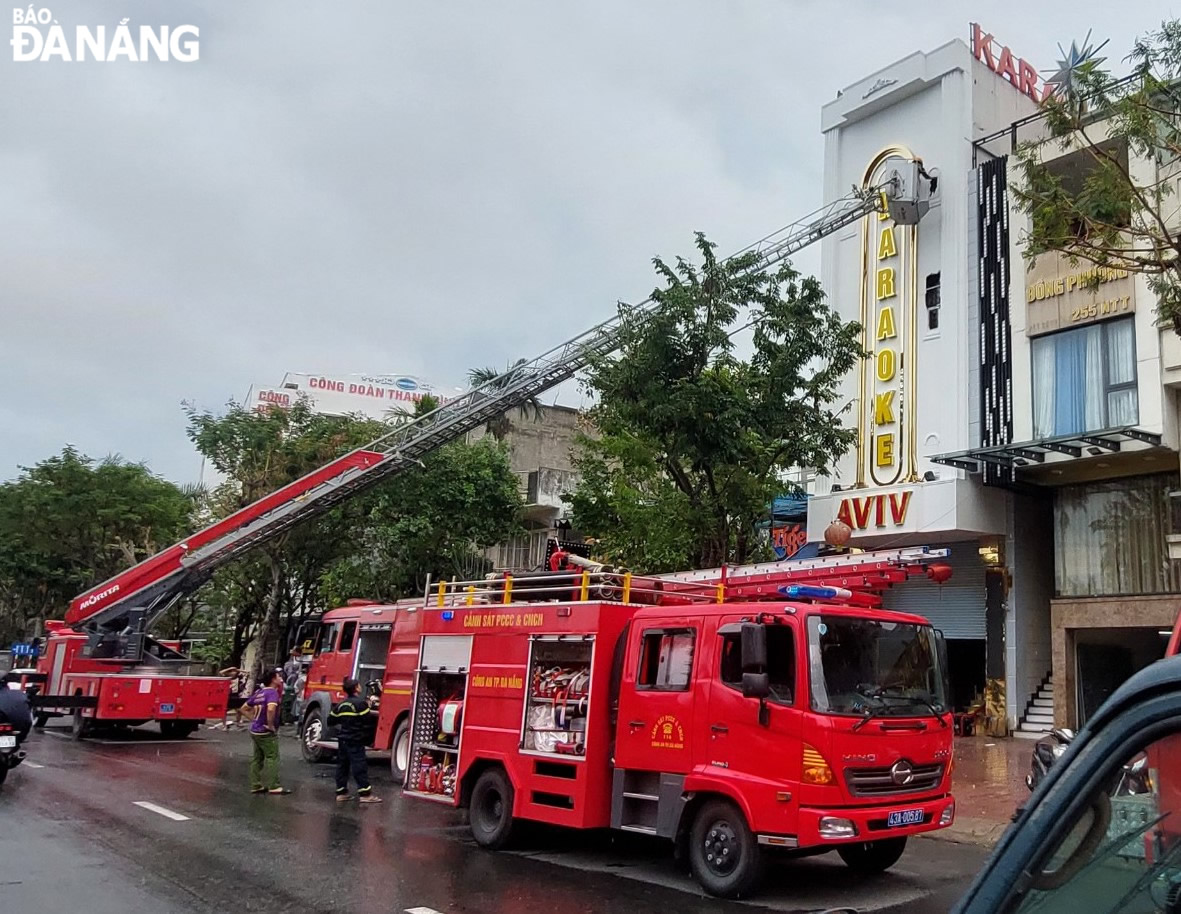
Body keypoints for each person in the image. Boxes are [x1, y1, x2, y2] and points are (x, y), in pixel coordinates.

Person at [328, 677, 381, 804]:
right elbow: (368, 720)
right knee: (359, 766)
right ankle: (365, 794)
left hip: (343, 740)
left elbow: (330, 721)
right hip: (355, 740)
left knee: (342, 766)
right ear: (356, 688)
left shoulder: (341, 705)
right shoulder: (360, 704)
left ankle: (341, 793)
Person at [246, 669, 290, 795]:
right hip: (265, 732)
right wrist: (270, 725)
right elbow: (271, 709)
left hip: (255, 730)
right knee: (272, 757)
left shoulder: (259, 692)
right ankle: (273, 785)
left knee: (257, 758)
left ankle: (256, 784)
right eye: (278, 676)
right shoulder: (272, 693)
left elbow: (244, 708)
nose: (281, 679)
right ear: (273, 679)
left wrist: (255, 720)